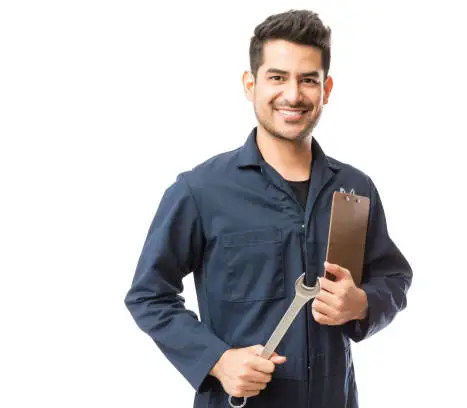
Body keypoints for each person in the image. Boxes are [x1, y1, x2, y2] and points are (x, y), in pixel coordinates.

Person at [124, 9, 412, 408]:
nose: (293, 95)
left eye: (308, 80)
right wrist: (218, 361)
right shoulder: (201, 190)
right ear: (250, 84)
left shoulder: (355, 188)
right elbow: (148, 294)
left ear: (326, 88)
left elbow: (393, 276)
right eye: (277, 77)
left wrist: (362, 303)